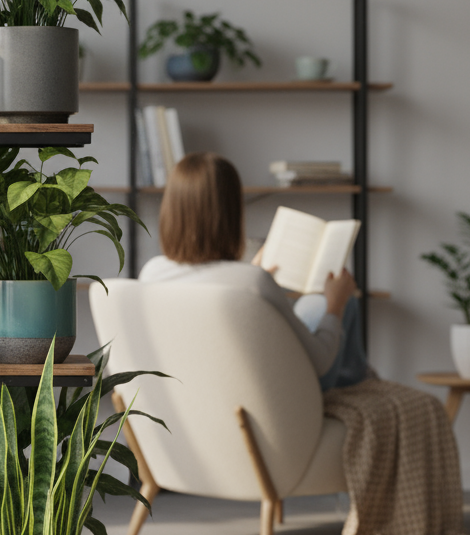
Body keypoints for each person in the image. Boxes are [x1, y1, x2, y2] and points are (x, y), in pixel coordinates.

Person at [137, 152, 371, 391]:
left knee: (311, 305)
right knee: (333, 304)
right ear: (232, 213)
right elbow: (319, 363)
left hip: (194, 395)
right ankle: (363, 384)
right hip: (280, 402)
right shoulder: (254, 281)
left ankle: (362, 378)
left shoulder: (152, 273)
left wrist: (249, 274)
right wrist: (336, 305)